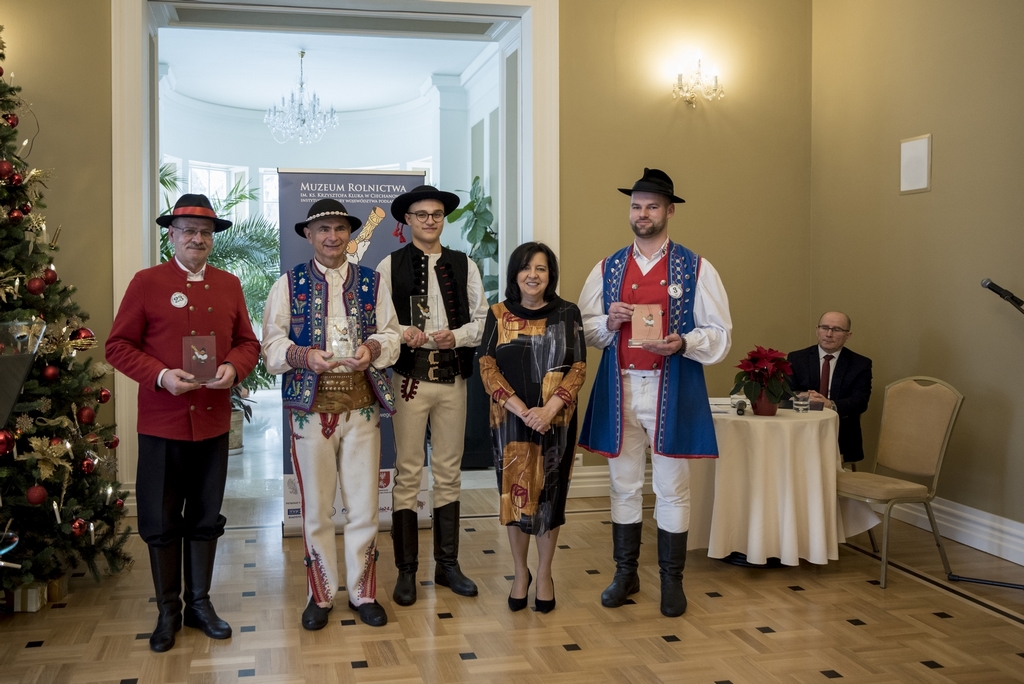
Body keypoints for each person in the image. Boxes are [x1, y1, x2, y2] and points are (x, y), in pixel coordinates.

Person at [106, 194, 261, 652]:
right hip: (163, 424)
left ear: (213, 239)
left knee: (206, 517)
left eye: (205, 232)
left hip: (212, 423)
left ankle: (200, 604)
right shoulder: (146, 282)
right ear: (171, 235)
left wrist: (232, 367)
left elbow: (248, 343)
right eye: (188, 231)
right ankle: (167, 612)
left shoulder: (229, 284)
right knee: (160, 519)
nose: (197, 239)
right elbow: (117, 346)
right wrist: (160, 375)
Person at [578, 168, 732, 618]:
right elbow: (584, 328)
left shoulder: (697, 268)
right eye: (636, 206)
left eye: (651, 207)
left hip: (670, 388)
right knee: (623, 485)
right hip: (620, 388)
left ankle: (671, 581)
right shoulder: (607, 267)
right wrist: (608, 322)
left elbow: (720, 334)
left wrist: (683, 343)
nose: (642, 214)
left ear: (669, 212)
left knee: (672, 487)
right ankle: (625, 574)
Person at [261, 199, 401, 630]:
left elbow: (392, 335)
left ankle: (363, 593)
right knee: (318, 509)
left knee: (364, 507)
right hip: (311, 409)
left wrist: (372, 348)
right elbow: (271, 346)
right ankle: (319, 595)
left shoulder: (373, 282)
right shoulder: (287, 284)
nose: (332, 236)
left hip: (362, 408)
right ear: (308, 235)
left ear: (349, 233)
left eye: (339, 228)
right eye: (323, 229)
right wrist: (304, 356)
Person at [376, 185, 488, 606]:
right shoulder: (389, 265)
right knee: (408, 471)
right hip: (410, 379)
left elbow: (483, 318)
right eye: (421, 214)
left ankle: (447, 565)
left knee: (448, 471)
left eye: (436, 214)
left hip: (453, 378)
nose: (429, 221)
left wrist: (456, 337)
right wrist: (404, 332)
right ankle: (406, 570)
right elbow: (381, 321)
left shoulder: (464, 264)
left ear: (444, 219)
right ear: (407, 220)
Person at [477, 242, 586, 613]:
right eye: (526, 268)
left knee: (550, 497)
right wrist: (524, 411)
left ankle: (544, 574)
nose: (533, 275)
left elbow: (578, 367)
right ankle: (520, 573)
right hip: (510, 421)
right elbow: (487, 367)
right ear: (515, 274)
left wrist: (549, 409)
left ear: (550, 275)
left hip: (557, 421)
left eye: (541, 268)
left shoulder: (568, 313)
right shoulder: (498, 313)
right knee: (515, 496)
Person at [786, 311, 872, 464]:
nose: (829, 334)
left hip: (840, 430)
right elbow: (785, 392)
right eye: (824, 328)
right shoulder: (797, 358)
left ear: (848, 336)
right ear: (817, 330)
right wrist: (802, 396)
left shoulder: (860, 364)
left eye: (836, 329)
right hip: (801, 427)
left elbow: (860, 402)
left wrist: (830, 405)